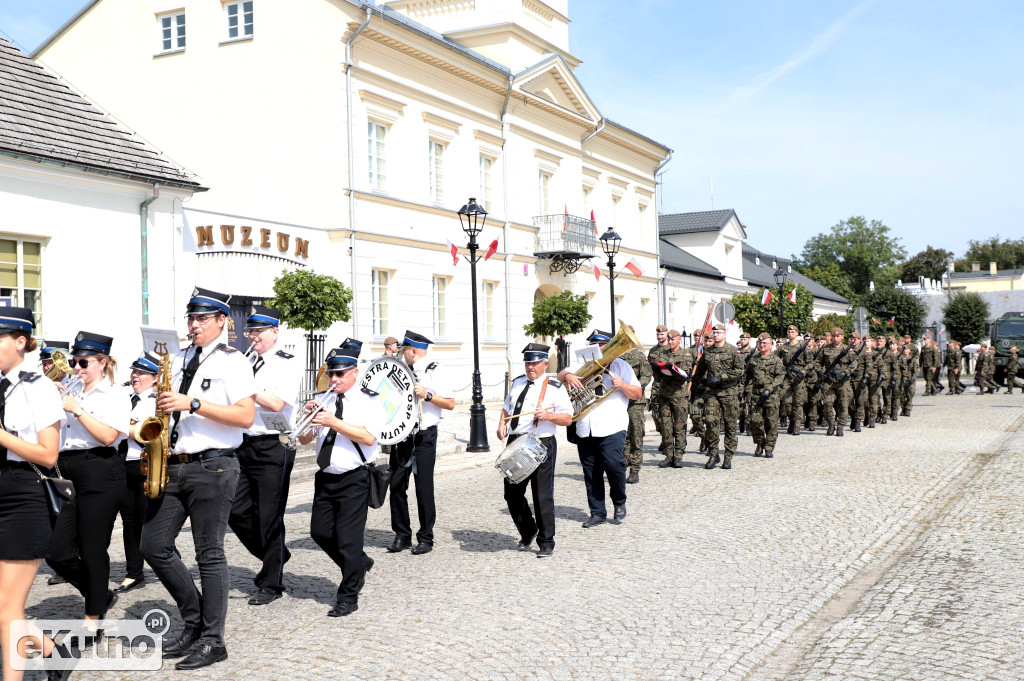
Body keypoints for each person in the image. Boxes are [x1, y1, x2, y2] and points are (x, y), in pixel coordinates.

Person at [141, 287, 256, 670]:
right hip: (174, 463)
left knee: (209, 553)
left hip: (215, 465)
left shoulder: (233, 360)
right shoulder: (178, 357)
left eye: (202, 319)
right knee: (152, 546)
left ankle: (213, 640)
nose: (193, 326)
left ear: (223, 322)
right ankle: (193, 622)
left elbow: (244, 416)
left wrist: (191, 403)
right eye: (191, 319)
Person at [0, 308, 68, 681]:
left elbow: (48, 453)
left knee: (7, 608)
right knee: (4, 607)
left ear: (21, 341)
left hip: (22, 495)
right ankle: (51, 650)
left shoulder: (38, 386)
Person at [46, 332, 129, 629]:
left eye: (83, 362)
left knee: (93, 548)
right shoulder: (69, 390)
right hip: (65, 470)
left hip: (100, 469)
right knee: (57, 551)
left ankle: (93, 617)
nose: (76, 367)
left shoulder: (115, 394)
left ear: (102, 363)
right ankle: (99, 594)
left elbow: (109, 436)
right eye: (73, 361)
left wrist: (77, 410)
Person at [301, 343, 380, 616]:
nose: (334, 379)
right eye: (332, 374)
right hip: (325, 477)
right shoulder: (324, 399)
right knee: (319, 532)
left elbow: (369, 437)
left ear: (355, 373)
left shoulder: (368, 399)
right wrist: (309, 419)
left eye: (341, 374)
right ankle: (357, 564)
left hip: (355, 478)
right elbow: (303, 439)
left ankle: (348, 595)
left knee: (348, 540)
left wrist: (332, 421)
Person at [229, 305, 300, 606]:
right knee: (235, 509)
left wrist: (247, 386)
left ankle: (272, 582)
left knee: (270, 515)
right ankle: (277, 554)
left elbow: (276, 403)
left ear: (275, 332)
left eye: (258, 331)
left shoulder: (287, 363)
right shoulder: (243, 362)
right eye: (250, 331)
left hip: (274, 444)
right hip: (243, 442)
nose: (253, 337)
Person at [558, 329, 641, 526]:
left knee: (614, 466)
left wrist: (622, 385)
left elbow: (637, 393)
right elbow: (561, 374)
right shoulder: (582, 364)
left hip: (612, 426)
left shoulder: (622, 366)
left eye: (604, 346)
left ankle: (619, 501)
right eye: (596, 346)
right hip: (585, 427)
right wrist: (568, 375)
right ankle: (597, 513)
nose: (600, 350)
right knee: (591, 472)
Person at [496, 344, 573, 556]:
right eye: (528, 362)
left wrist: (549, 416)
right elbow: (506, 407)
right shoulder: (517, 383)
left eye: (535, 363)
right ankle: (528, 530)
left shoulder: (555, 388)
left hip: (541, 442)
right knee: (512, 493)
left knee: (542, 495)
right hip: (515, 441)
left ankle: (547, 541)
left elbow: (567, 418)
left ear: (545, 364)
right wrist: (502, 424)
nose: (531, 367)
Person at [387, 331, 454, 555]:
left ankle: (426, 537)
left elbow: (450, 403)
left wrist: (427, 395)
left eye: (404, 349)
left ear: (413, 350)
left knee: (424, 489)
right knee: (396, 486)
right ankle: (402, 535)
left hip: (424, 435)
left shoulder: (434, 370)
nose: (401, 352)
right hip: (402, 436)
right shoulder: (401, 369)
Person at [114, 351, 160, 595]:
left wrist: (121, 426)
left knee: (146, 520)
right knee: (129, 521)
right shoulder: (124, 397)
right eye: (134, 371)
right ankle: (134, 573)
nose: (134, 376)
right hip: (123, 463)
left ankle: (163, 555)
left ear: (154, 378)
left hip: (145, 464)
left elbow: (149, 433)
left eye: (140, 373)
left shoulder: (157, 401)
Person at [692, 324, 745, 469]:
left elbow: (740, 370)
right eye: (714, 333)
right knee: (710, 421)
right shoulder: (707, 352)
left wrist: (721, 378)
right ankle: (713, 454)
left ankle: (728, 457)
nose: (715, 335)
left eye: (718, 332)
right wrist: (694, 385)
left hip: (729, 393)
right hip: (712, 393)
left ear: (724, 334)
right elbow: (700, 370)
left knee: (730, 425)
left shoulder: (732, 351)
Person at [654, 329, 695, 469]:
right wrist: (656, 369)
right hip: (664, 395)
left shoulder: (686, 354)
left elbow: (685, 374)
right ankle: (669, 455)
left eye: (673, 339)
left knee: (679, 426)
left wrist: (673, 370)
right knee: (666, 426)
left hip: (679, 395)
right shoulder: (662, 354)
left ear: (679, 340)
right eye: (669, 340)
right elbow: (657, 376)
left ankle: (678, 456)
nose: (670, 342)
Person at [619, 327, 651, 483]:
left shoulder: (639, 356)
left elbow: (646, 376)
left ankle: (635, 470)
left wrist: (634, 386)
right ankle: (623, 462)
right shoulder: (616, 357)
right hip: (619, 401)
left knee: (636, 436)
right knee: (621, 435)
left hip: (635, 402)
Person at [747, 333, 785, 458]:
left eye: (765, 343)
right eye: (760, 343)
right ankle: (759, 442)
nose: (762, 345)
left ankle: (769, 447)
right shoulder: (753, 359)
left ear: (771, 345)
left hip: (771, 395)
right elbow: (747, 376)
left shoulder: (775, 360)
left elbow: (780, 376)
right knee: (754, 420)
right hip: (756, 395)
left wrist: (770, 388)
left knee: (771, 422)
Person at [818, 328, 858, 437]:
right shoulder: (826, 348)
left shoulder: (847, 349)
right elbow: (818, 362)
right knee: (827, 403)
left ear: (842, 337)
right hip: (829, 381)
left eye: (838, 336)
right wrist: (820, 372)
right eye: (834, 336)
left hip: (843, 382)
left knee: (844, 405)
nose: (836, 338)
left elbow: (854, 364)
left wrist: (845, 372)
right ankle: (831, 424)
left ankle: (840, 427)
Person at [775, 325, 808, 436]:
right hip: (787, 377)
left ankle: (797, 425)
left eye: (793, 331)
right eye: (789, 331)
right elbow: (775, 359)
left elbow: (811, 363)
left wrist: (803, 373)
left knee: (798, 402)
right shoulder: (782, 347)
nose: (790, 333)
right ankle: (792, 420)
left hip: (799, 377)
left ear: (797, 333)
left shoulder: (803, 347)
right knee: (786, 402)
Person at [647, 325, 670, 454]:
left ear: (666, 334)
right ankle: (664, 437)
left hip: (668, 385)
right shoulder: (653, 350)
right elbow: (648, 368)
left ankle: (669, 443)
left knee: (667, 415)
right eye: (658, 335)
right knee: (656, 414)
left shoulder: (671, 349)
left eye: (662, 334)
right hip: (656, 386)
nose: (660, 337)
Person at [900, 344, 918, 416]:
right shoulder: (900, 358)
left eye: (907, 349)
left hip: (910, 378)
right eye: (904, 349)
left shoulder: (912, 359)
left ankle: (908, 409)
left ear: (909, 350)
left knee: (910, 394)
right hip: (902, 378)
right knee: (901, 394)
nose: (905, 351)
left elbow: (916, 370)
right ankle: (903, 408)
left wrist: (913, 378)